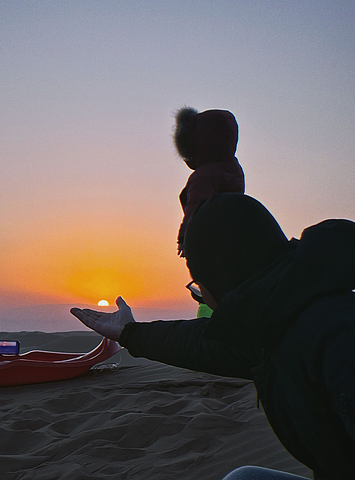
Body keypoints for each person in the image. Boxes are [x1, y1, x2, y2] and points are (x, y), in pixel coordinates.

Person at [70, 193, 355, 480]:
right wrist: (130, 333)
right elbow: (199, 344)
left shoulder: (337, 339)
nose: (201, 295)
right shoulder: (278, 324)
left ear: (222, 280)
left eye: (198, 286)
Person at [174, 107, 244, 257]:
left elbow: (195, 205)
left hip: (207, 241)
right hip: (232, 236)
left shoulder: (203, 176)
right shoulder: (234, 168)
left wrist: (185, 237)